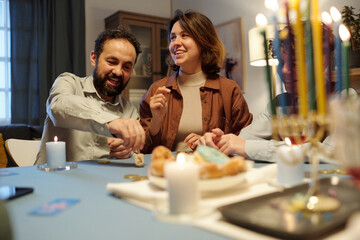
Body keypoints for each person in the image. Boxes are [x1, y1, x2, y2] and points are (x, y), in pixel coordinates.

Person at [197, 24, 347, 162]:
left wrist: (247, 147)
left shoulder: (344, 99)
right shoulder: (279, 103)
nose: (284, 70)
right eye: (281, 63)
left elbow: (331, 152)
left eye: (294, 63)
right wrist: (220, 142)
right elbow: (244, 139)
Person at [139, 10, 253, 153]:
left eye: (184, 35)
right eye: (172, 37)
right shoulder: (157, 89)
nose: (176, 43)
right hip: (168, 171)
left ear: (203, 41)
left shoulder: (229, 90)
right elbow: (140, 151)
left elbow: (247, 143)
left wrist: (213, 143)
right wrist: (156, 120)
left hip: (211, 171)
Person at [36, 28, 145, 163]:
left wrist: (127, 150)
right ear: (94, 58)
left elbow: (134, 154)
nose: (118, 72)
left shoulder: (131, 113)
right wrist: (110, 122)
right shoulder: (68, 82)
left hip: (103, 182)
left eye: (127, 67)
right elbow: (58, 106)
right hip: (54, 179)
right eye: (112, 62)